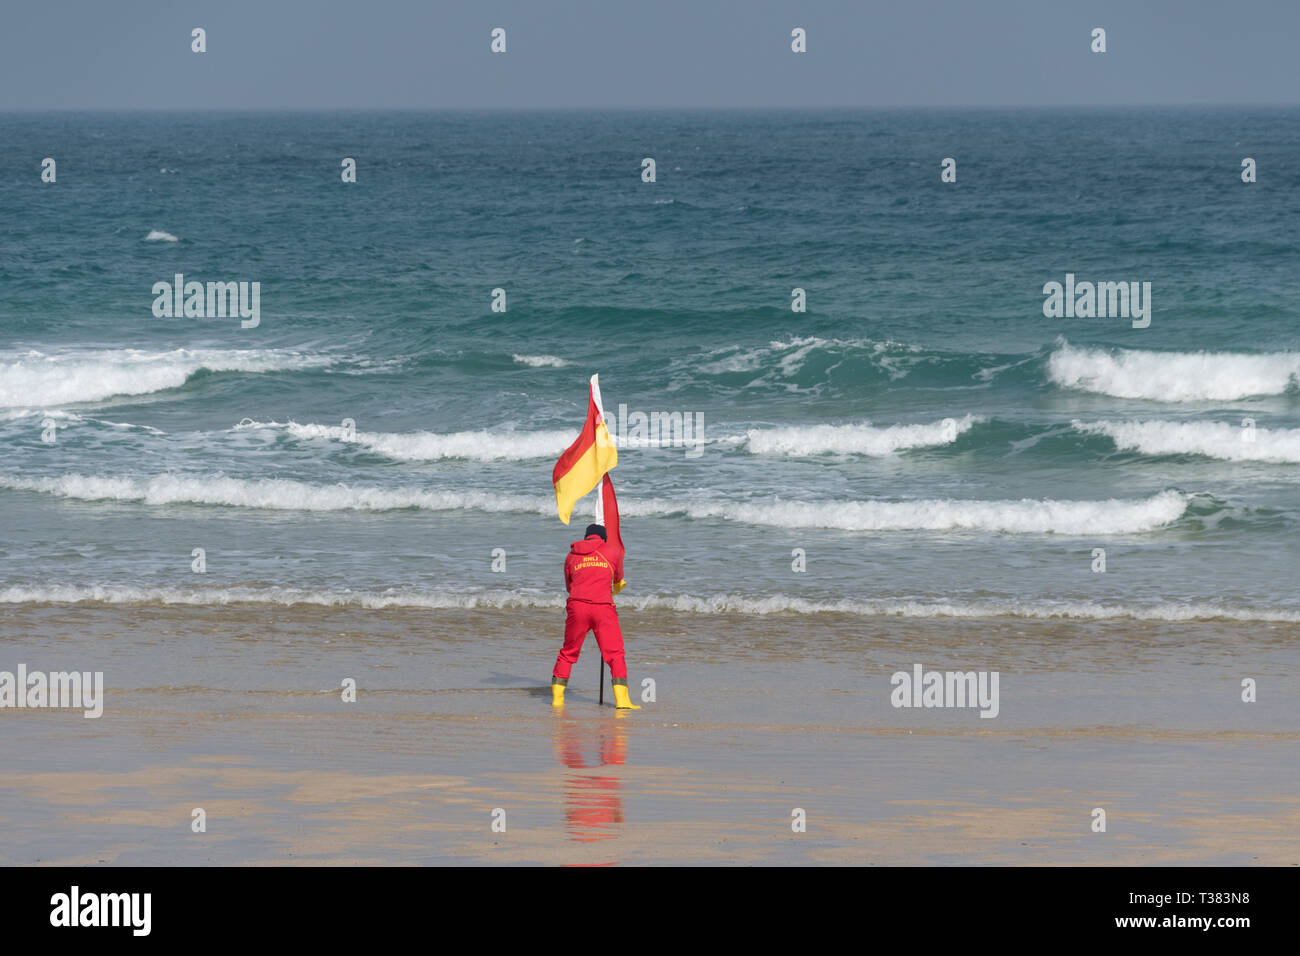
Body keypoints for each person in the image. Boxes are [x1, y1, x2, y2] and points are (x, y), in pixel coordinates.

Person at [551, 523, 640, 709]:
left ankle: (557, 700)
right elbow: (617, 579)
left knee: (568, 652)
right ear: (603, 538)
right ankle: (622, 701)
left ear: (586, 537)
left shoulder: (571, 556)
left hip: (577, 607)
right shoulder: (613, 552)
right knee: (615, 653)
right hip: (602, 608)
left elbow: (569, 586)